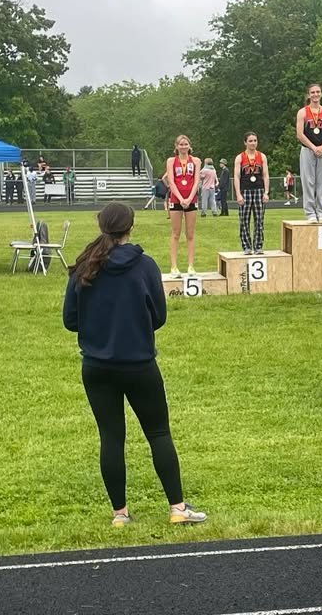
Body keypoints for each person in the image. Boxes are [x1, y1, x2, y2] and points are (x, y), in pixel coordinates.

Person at [63, 202, 207, 527]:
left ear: (101, 226)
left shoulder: (84, 267)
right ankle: (177, 508)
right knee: (158, 433)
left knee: (111, 438)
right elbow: (159, 316)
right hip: (139, 364)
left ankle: (119, 514)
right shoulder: (146, 266)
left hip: (97, 367)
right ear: (132, 226)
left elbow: (71, 320)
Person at [296, 83, 322, 223]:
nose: (315, 94)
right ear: (308, 95)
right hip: (307, 150)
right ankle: (310, 213)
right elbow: (300, 134)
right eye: (313, 92)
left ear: (321, 94)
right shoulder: (303, 112)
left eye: (318, 92)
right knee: (308, 182)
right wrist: (313, 147)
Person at [165, 135, 199, 277]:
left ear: (189, 146)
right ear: (176, 146)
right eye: (181, 144)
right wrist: (180, 198)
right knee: (175, 233)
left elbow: (196, 180)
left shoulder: (196, 161)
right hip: (176, 199)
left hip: (191, 199)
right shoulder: (171, 161)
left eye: (186, 144)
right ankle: (174, 267)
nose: (183, 147)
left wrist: (189, 198)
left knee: (190, 234)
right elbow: (171, 181)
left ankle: (191, 266)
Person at [234, 132, 270, 255]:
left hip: (259, 190)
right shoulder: (240, 158)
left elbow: (265, 175)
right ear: (245, 142)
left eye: (255, 140)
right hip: (245, 191)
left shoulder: (262, 157)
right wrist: (238, 194)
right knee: (244, 220)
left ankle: (258, 245)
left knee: (259, 220)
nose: (253, 143)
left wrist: (266, 192)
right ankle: (246, 247)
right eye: (250, 141)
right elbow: (237, 176)